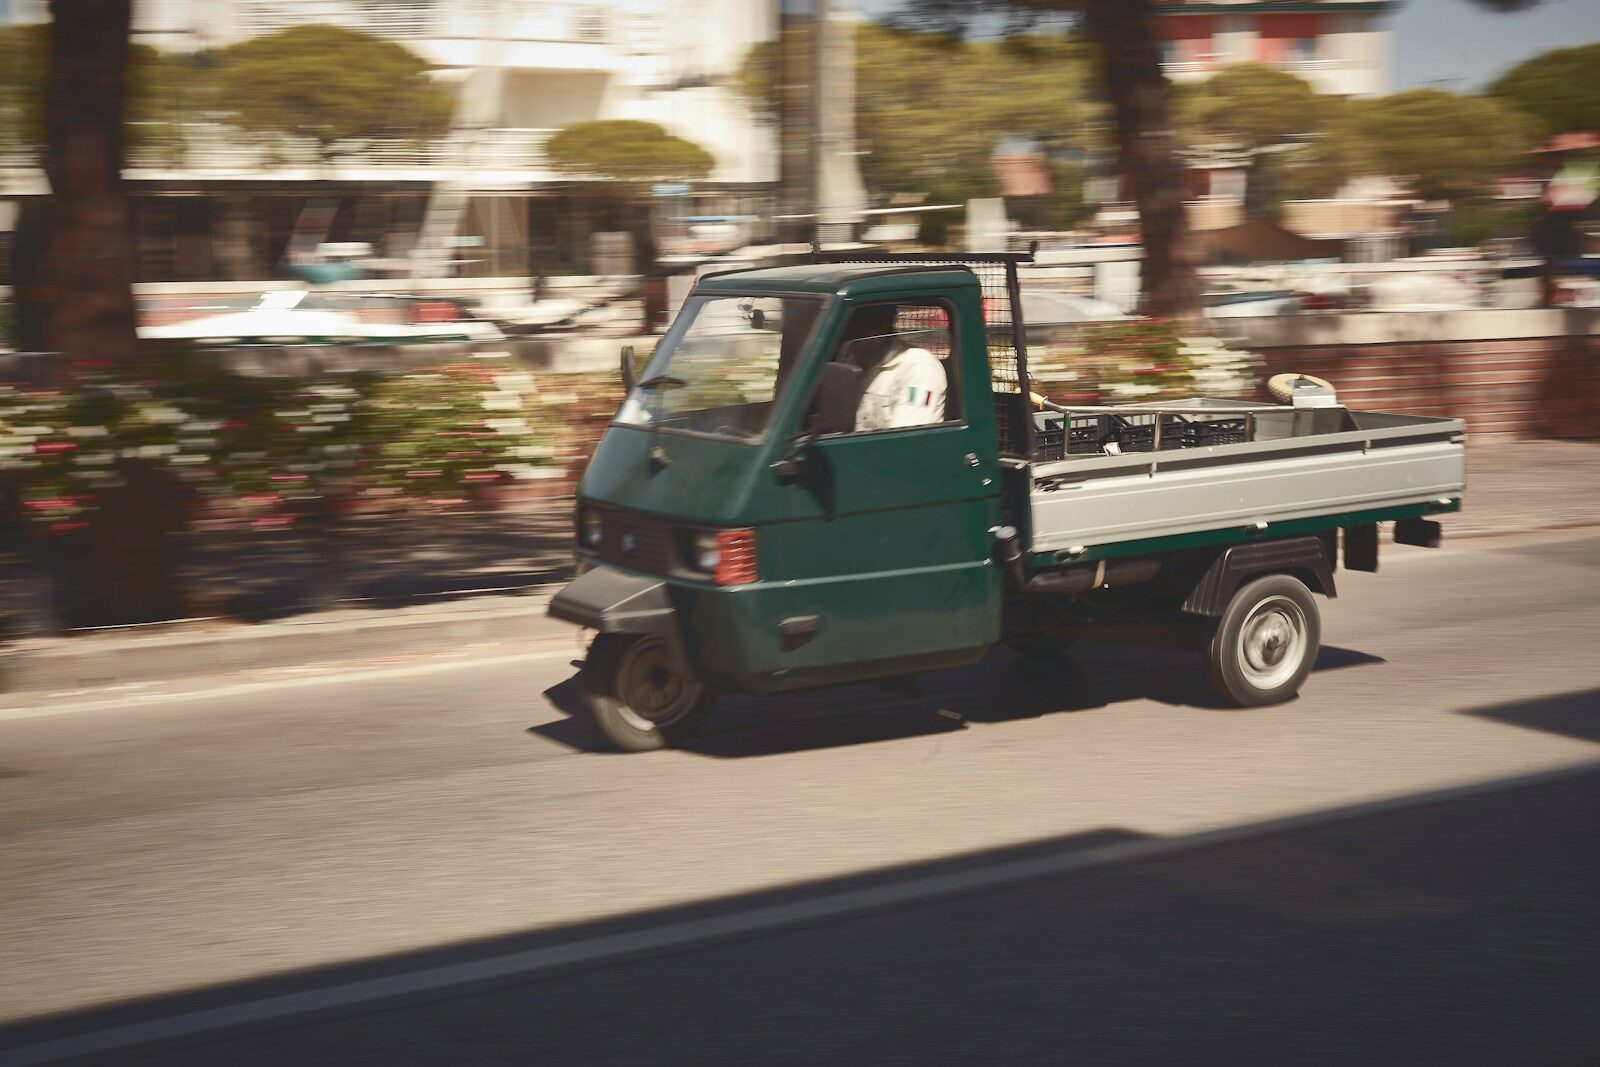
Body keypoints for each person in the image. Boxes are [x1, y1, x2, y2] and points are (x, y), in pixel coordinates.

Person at [837, 304, 948, 432]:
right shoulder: (854, 360)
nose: (846, 339)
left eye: (854, 329)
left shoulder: (919, 367)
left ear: (880, 327)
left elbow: (904, 438)